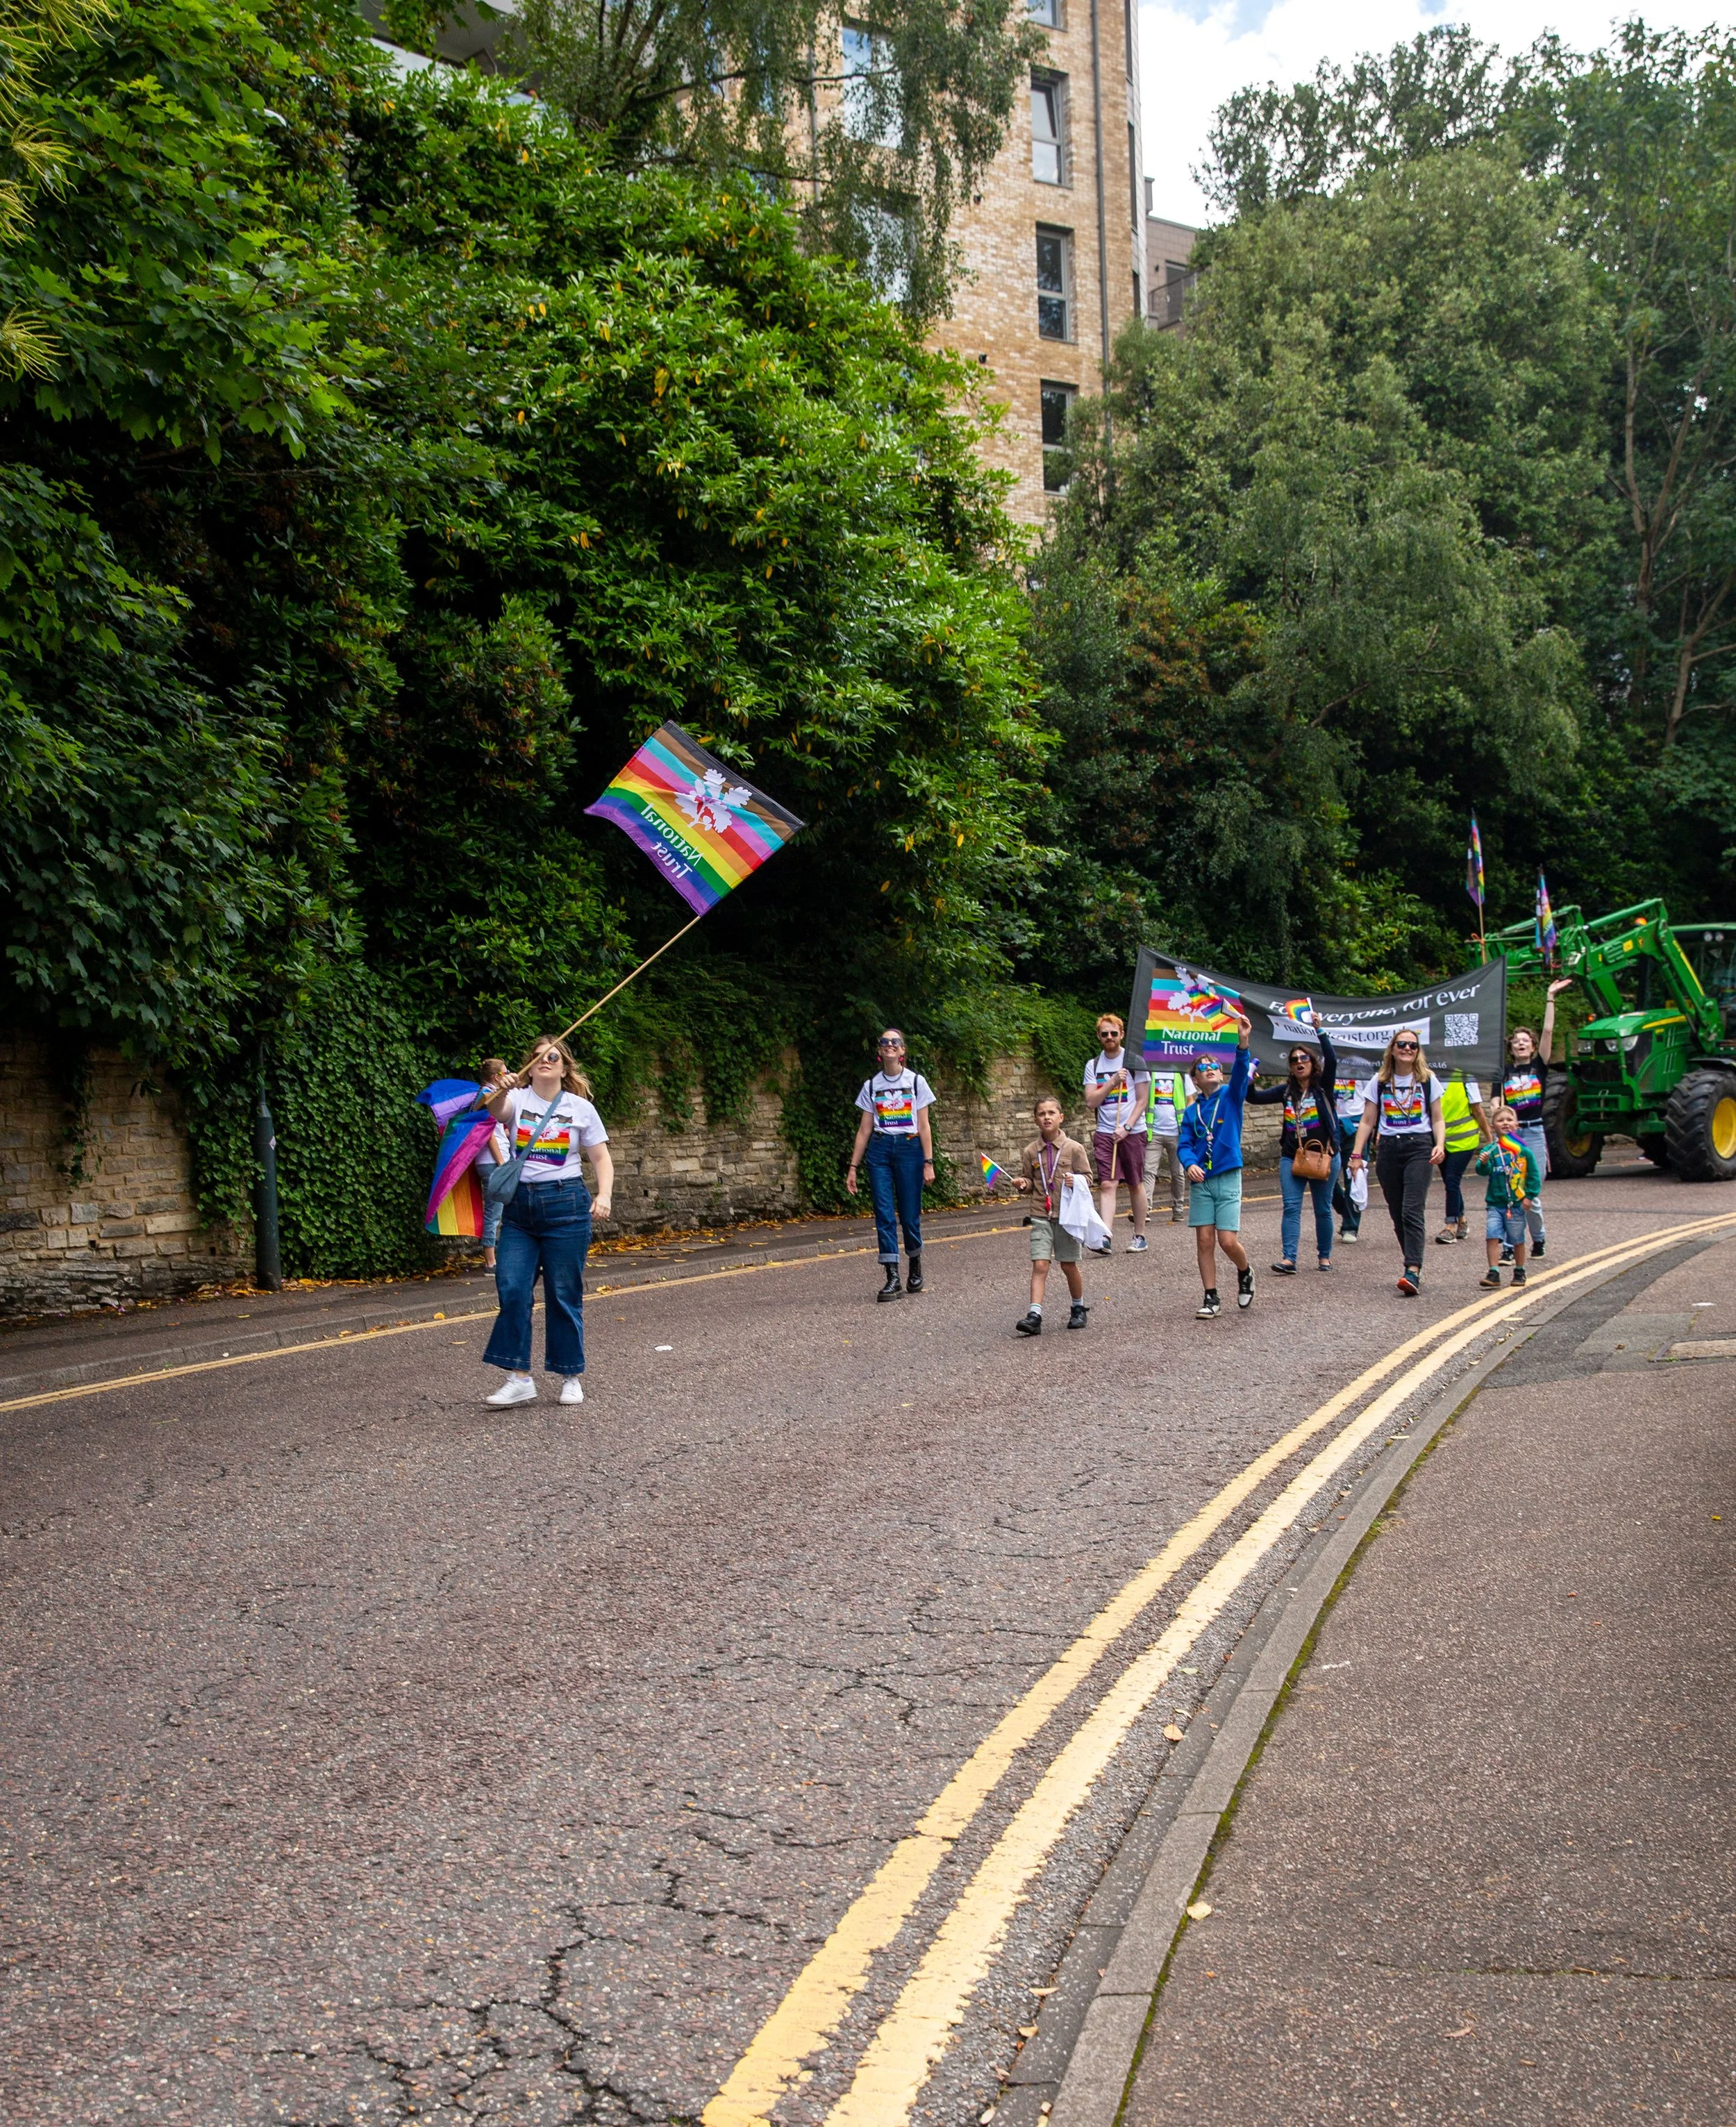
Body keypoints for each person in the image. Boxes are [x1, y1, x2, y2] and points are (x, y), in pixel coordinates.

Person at [476, 1036, 613, 1408]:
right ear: (529, 1066)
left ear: (564, 1067)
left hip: (565, 1204)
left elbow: (601, 1158)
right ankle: (519, 1377)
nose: (544, 1061)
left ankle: (570, 1374)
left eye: (552, 1057)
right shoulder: (517, 1099)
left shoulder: (580, 1108)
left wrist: (604, 1195)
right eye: (537, 1057)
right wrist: (501, 1089)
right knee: (512, 1287)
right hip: (521, 1209)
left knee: (563, 1293)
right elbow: (495, 1110)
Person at [1349, 1028, 1446, 1297]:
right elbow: (1367, 1121)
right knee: (1397, 1212)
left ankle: (1412, 1268)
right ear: (1392, 1049)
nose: (1407, 1049)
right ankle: (1412, 1262)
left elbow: (1437, 1118)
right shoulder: (1379, 1082)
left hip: (1419, 1146)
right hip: (1389, 1149)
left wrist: (1440, 1144)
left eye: (1412, 1046)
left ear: (1418, 1051)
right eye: (1401, 1044)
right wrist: (1357, 1156)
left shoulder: (1428, 1080)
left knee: (1412, 1210)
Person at [845, 1029, 936, 1301]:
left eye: (894, 1042)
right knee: (884, 1214)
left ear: (903, 1050)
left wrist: (928, 1162)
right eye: (884, 1042)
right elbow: (864, 1131)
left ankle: (915, 1266)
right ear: (880, 1050)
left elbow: (924, 1125)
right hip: (880, 1151)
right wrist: (853, 1167)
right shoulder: (871, 1086)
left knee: (909, 1216)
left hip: (909, 1149)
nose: (889, 1045)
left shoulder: (916, 1082)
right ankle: (892, 1278)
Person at [1177, 1005, 1256, 1317]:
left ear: (1220, 1075)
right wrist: (1188, 1163)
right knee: (1205, 1240)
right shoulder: (1191, 1111)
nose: (1210, 1068)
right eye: (1203, 1067)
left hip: (1227, 1176)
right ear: (1195, 1080)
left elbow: (1241, 1074)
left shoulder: (1231, 1097)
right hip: (1201, 1180)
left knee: (1227, 1240)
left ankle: (1245, 1270)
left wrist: (1243, 1044)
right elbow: (1185, 1144)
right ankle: (1211, 1296)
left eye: (1214, 1066)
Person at [1249, 1022, 1339, 1274]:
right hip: (1293, 1157)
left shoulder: (1323, 1088)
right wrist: (1250, 1082)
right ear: (1290, 1067)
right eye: (1294, 1060)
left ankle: (1324, 1257)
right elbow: (1253, 1098)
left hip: (1325, 1157)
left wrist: (1319, 1031)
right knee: (1291, 1206)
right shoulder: (1286, 1091)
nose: (1299, 1062)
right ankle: (1289, 1259)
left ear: (1312, 1063)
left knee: (1323, 1208)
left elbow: (1331, 1058)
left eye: (1304, 1058)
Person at [1499, 978, 1573, 1262]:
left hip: (1535, 1133)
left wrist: (1550, 997)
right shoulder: (1503, 1073)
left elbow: (1548, 1031)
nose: (1521, 1044)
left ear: (1532, 1048)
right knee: (1509, 1191)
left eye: (1525, 1041)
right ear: (1511, 1047)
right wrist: (1499, 1120)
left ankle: (1538, 1239)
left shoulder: (1538, 1067)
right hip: (1512, 1137)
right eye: (1516, 1041)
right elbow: (1497, 1103)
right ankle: (1508, 1246)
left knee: (1532, 1191)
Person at [1010, 1095, 1092, 1334]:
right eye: (1041, 1114)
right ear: (1036, 1120)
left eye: (1051, 1113)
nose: (1046, 1117)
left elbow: (1088, 1178)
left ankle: (1078, 1307)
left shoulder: (1074, 1149)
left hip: (1066, 1217)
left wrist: (1074, 1180)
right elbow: (1029, 1180)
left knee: (1068, 1265)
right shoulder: (1030, 1151)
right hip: (1040, 1214)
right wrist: (1022, 1184)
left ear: (1061, 1117)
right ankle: (1034, 1315)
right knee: (1040, 1265)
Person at [1083, 1013, 1151, 1253]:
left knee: (1135, 1183)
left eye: (1114, 1033)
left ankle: (1140, 1235)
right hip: (1105, 1132)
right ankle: (1105, 1236)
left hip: (1132, 1131)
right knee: (1108, 1185)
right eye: (1105, 1034)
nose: (1109, 1037)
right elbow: (1091, 1101)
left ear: (1122, 1034)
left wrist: (1128, 1127)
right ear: (1099, 1037)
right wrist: (1112, 1082)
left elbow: (1143, 1100)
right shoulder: (1093, 1065)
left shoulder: (1135, 1061)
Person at [1475, 1105, 1540, 1289]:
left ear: (1516, 1125)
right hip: (1495, 1203)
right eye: (1500, 1120)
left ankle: (1520, 1270)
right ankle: (1493, 1272)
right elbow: (1482, 1171)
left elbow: (1533, 1177)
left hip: (1516, 1204)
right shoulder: (1490, 1150)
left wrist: (1529, 1197)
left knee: (1517, 1239)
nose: (1505, 1123)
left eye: (1509, 1120)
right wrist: (1484, 1163)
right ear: (1493, 1125)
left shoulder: (1523, 1151)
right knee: (1492, 1236)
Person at [1434, 1074, 1492, 1246]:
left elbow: (1477, 1110)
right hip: (1441, 1141)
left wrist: (1489, 1137)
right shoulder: (1429, 1077)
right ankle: (1462, 1222)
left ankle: (1450, 1226)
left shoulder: (1466, 1077)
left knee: (1452, 1179)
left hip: (1465, 1140)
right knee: (1450, 1182)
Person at [472, 1057, 512, 1272]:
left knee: (506, 1210)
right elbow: (488, 1134)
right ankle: (490, 1262)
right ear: (497, 1077)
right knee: (494, 1212)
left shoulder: (489, 1096)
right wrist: (501, 1163)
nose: (508, 1075)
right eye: (506, 1073)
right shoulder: (487, 1096)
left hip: (494, 1161)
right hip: (492, 1162)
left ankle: (501, 1257)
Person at [1331, 1060, 1370, 1242]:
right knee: (1325, 1175)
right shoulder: (1325, 1060)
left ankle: (1350, 1227)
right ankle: (1346, 1211)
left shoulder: (1362, 1062)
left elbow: (1372, 1099)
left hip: (1356, 1127)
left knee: (1353, 1176)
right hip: (1331, 1125)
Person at [1146, 1065, 1189, 1223]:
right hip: (1154, 1132)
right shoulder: (1150, 1071)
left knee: (1177, 1173)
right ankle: (1146, 1210)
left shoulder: (1180, 1073)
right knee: (1148, 1171)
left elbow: (1190, 1098)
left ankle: (1178, 1209)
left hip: (1176, 1132)